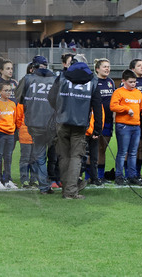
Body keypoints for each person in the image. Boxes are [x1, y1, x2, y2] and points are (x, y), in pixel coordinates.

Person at [48, 54, 102, 199]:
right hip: (80, 123)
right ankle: (71, 191)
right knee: (76, 157)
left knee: (63, 156)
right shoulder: (93, 80)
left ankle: (67, 188)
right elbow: (97, 105)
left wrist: (60, 109)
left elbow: (51, 97)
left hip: (62, 121)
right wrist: (97, 127)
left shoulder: (62, 76)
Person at [15, 56, 57, 195]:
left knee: (39, 156)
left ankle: (44, 186)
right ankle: (57, 182)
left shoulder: (27, 79)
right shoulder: (55, 79)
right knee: (55, 156)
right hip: (53, 124)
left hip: (35, 123)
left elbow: (19, 98)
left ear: (34, 67)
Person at [110, 70, 142, 186]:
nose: (133, 84)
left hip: (135, 125)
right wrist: (126, 109)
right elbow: (113, 106)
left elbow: (140, 107)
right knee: (122, 152)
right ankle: (119, 176)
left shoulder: (138, 93)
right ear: (123, 81)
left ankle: (132, 176)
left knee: (133, 152)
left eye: (135, 82)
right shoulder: (119, 92)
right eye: (131, 82)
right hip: (124, 125)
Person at [94, 58, 116, 183]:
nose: (107, 69)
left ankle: (101, 176)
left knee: (103, 148)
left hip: (108, 120)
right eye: (104, 67)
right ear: (97, 69)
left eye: (108, 66)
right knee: (94, 149)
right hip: (96, 121)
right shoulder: (93, 81)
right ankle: (89, 176)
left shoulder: (111, 82)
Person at [0, 81, 17, 190]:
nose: (8, 92)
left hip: (10, 133)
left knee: (8, 157)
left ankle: (7, 180)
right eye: (6, 90)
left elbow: (15, 119)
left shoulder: (12, 104)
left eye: (10, 90)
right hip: (0, 133)